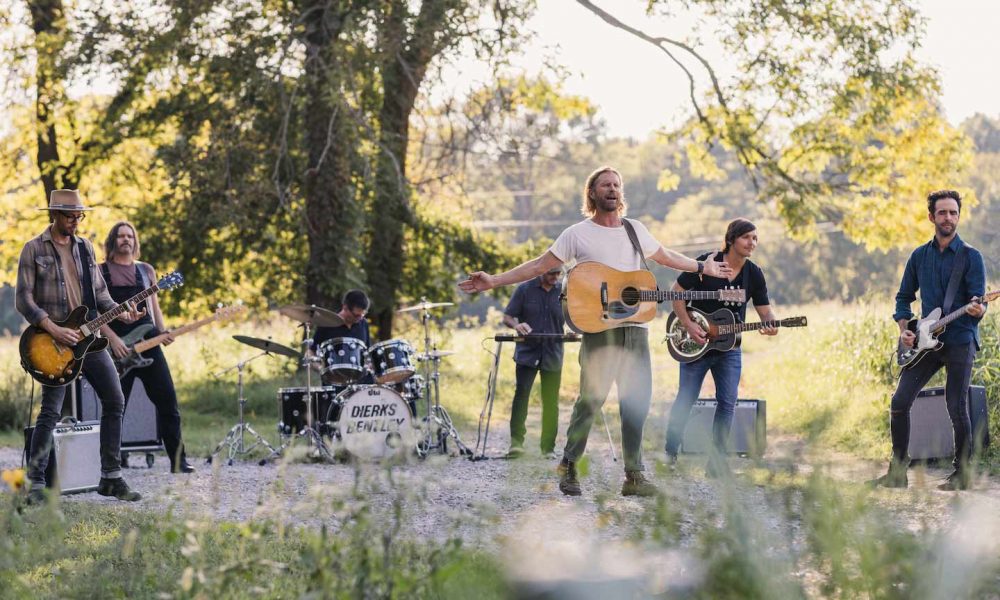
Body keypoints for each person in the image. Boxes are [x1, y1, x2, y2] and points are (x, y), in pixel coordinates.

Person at [460, 166, 733, 497]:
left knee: (637, 400)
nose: (613, 189)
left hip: (634, 328)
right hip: (598, 328)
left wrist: (702, 266)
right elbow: (538, 266)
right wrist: (494, 280)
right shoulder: (577, 234)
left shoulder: (635, 230)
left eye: (617, 184)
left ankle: (634, 475)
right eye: (606, 185)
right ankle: (569, 465)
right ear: (592, 193)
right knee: (591, 399)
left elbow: (665, 256)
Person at [16, 189, 142, 503]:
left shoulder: (85, 248)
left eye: (79, 216)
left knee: (114, 399)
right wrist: (55, 329)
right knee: (51, 412)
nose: (76, 221)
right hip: (50, 344)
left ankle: (110, 477)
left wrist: (123, 310)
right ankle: (35, 485)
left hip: (89, 341)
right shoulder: (33, 250)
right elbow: (24, 300)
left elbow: (100, 296)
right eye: (71, 216)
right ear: (54, 215)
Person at [871, 190, 987, 491]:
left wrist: (979, 308)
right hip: (925, 342)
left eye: (953, 212)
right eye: (942, 212)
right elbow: (903, 298)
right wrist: (904, 329)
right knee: (899, 402)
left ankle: (962, 474)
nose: (948, 217)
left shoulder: (971, 257)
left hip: (960, 340)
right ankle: (898, 472)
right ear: (931, 216)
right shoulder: (919, 257)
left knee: (956, 405)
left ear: (959, 216)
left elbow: (979, 303)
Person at [663, 218, 776, 477]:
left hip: (729, 347)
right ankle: (670, 451)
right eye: (747, 237)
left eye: (755, 238)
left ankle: (716, 462)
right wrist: (688, 324)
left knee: (728, 402)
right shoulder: (707, 262)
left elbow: (765, 311)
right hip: (696, 344)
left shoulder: (754, 273)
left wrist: (771, 325)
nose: (752, 243)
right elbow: (676, 293)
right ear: (732, 239)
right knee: (686, 398)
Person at [101, 221, 194, 474]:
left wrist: (162, 331)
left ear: (135, 241)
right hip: (117, 349)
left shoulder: (146, 271)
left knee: (168, 402)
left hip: (149, 343)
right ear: (112, 241)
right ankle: (111, 464)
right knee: (115, 407)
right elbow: (95, 313)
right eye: (120, 236)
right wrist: (112, 340)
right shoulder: (100, 271)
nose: (126, 240)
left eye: (130, 236)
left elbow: (154, 305)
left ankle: (178, 460)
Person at [502, 267, 565, 459]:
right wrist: (516, 325)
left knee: (551, 401)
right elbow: (507, 317)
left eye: (558, 273)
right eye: (551, 273)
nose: (555, 277)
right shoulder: (524, 289)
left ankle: (548, 449)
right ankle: (516, 445)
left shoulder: (565, 291)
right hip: (527, 352)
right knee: (521, 396)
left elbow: (577, 315)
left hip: (553, 352)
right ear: (540, 271)